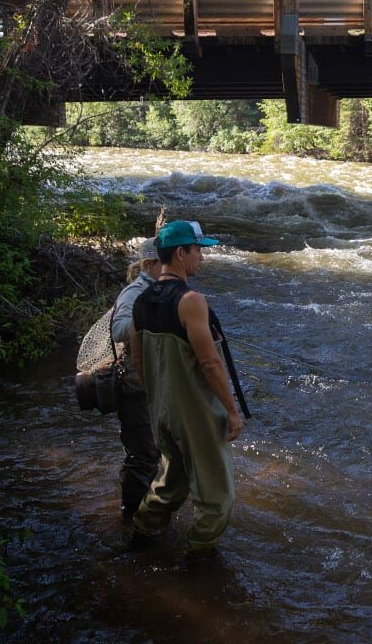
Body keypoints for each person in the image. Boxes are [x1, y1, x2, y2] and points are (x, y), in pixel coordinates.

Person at [128, 219, 244, 558]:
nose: (202, 260)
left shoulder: (140, 301)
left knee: (170, 483)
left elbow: (139, 362)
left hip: (162, 412)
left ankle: (141, 537)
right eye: (198, 251)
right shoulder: (192, 301)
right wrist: (232, 411)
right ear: (180, 253)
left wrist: (160, 403)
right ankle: (199, 557)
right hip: (197, 415)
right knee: (217, 498)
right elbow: (209, 363)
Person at [109, 237, 162, 521]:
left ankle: (143, 512)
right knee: (142, 456)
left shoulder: (158, 289)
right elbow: (118, 330)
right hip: (133, 386)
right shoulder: (135, 292)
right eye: (163, 263)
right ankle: (131, 518)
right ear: (150, 264)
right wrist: (157, 318)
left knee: (153, 451)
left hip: (149, 383)